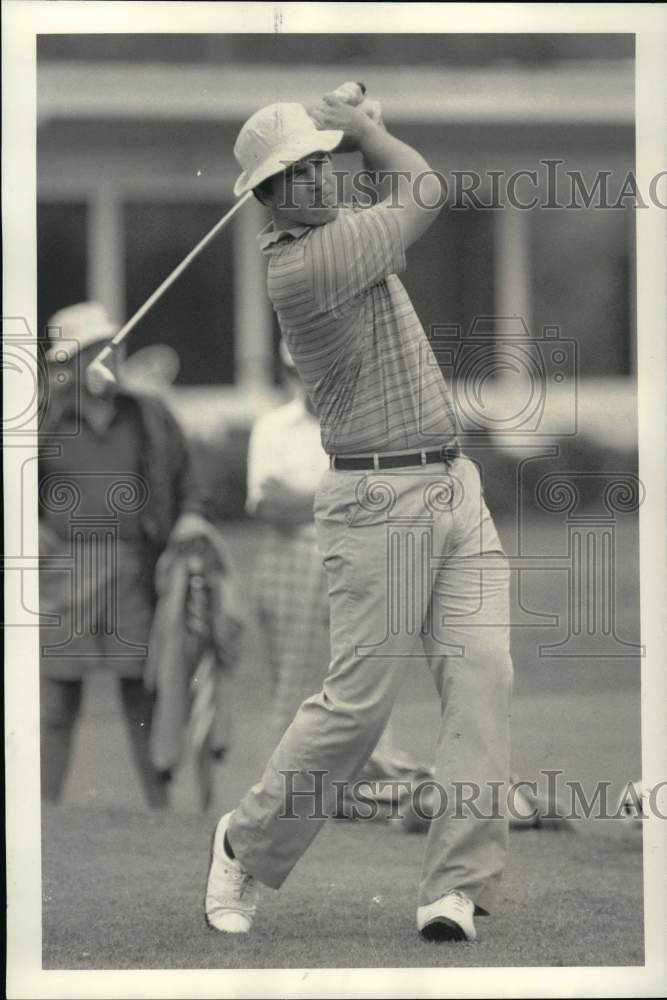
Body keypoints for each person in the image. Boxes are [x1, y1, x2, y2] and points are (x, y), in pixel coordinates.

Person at [205, 93, 513, 943]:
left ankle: (455, 886)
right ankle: (243, 841)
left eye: (318, 161)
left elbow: (393, 197)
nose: (312, 179)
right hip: (375, 503)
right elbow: (421, 190)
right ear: (265, 201)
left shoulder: (341, 232)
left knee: (482, 679)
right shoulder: (308, 265)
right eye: (289, 175)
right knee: (356, 708)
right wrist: (371, 130)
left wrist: (361, 140)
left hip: (452, 486)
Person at [247, 342, 433, 812]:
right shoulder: (272, 428)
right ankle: (292, 792)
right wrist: (338, 496)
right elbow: (268, 507)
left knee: (362, 674)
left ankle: (369, 784)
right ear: (289, 374)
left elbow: (383, 500)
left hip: (358, 562)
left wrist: (306, 498)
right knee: (293, 681)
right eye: (302, 369)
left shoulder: (366, 426)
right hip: (291, 563)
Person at [39, 301, 204, 807]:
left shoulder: (149, 412)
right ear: (70, 359)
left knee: (145, 691)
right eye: (96, 350)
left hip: (136, 566)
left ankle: (161, 811)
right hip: (65, 568)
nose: (110, 358)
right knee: (58, 698)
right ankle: (44, 814)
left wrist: (192, 518)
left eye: (115, 347)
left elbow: (187, 483)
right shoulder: (41, 416)